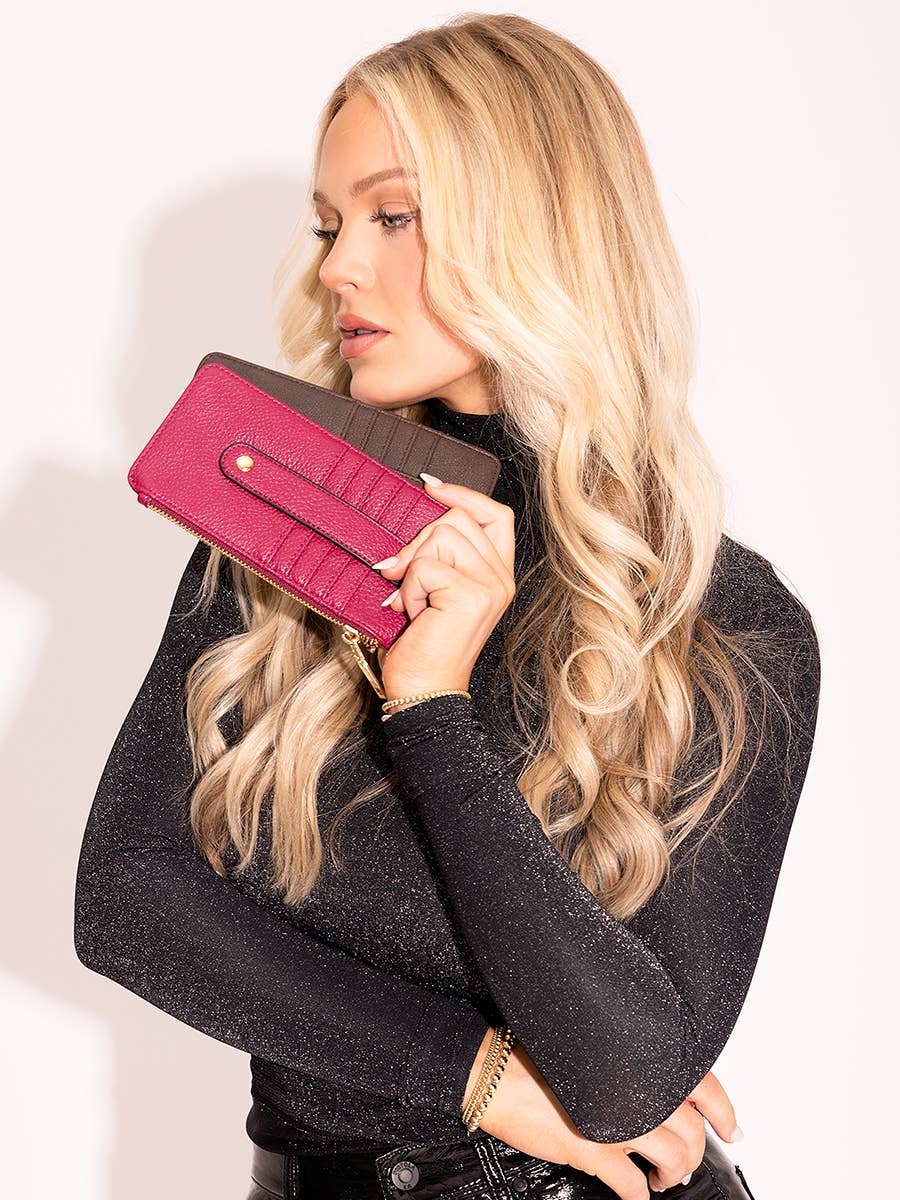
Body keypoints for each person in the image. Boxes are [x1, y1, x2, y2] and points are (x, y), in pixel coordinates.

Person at [73, 13, 820, 1200]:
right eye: (330, 224)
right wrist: (481, 1074)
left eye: (393, 215)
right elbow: (126, 901)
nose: (335, 268)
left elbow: (629, 1080)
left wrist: (431, 711)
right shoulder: (282, 529)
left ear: (533, 226)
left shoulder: (721, 617)